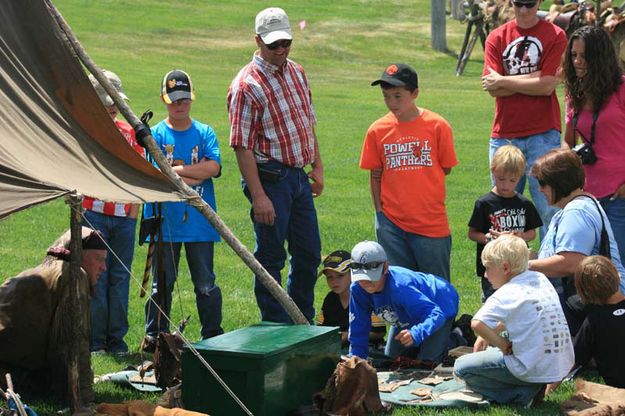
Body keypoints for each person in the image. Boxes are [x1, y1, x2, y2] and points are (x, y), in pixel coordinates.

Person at [227, 7, 323, 323]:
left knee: (309, 254)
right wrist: (258, 196)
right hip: (269, 179)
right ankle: (275, 325)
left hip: (298, 176)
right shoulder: (245, 85)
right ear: (257, 41)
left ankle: (302, 319)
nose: (280, 50)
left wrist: (317, 167)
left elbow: (309, 122)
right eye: (273, 45)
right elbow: (242, 146)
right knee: (271, 258)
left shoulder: (297, 71)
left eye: (285, 43)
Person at [142, 69, 223, 351]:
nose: (180, 105)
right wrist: (193, 175)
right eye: (174, 100)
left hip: (199, 223)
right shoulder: (154, 135)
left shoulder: (205, 132)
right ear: (164, 99)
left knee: (205, 284)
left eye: (184, 99)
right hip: (165, 221)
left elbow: (213, 167)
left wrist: (177, 171)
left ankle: (213, 334)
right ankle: (155, 336)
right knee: (161, 284)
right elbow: (154, 175)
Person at [360, 63, 458, 281]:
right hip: (392, 223)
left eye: (397, 96)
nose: (391, 103)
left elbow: (446, 167)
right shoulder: (377, 130)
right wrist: (380, 214)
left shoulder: (437, 125)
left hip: (430, 222)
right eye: (386, 96)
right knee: (402, 287)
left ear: (415, 93)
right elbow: (375, 174)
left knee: (436, 286)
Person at [454, 235, 574, 408]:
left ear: (505, 267)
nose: (486, 275)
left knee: (461, 367)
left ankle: (521, 393)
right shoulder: (540, 279)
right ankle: (532, 385)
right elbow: (519, 315)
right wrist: (490, 335)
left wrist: (502, 344)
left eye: (488, 268)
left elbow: (477, 323)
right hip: (560, 364)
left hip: (530, 366)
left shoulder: (507, 292)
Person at [481, 0, 566, 240]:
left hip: (544, 133)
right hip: (504, 134)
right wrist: (536, 77)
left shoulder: (555, 35)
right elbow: (493, 88)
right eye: (518, 4)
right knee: (502, 210)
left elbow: (548, 86)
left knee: (549, 209)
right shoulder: (497, 37)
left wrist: (505, 80)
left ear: (539, 3)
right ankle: (503, 272)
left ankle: (552, 272)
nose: (524, 10)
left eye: (530, 4)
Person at [0, 227, 107, 403]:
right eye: (98, 259)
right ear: (79, 256)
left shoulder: (51, 269)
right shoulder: (73, 275)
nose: (103, 267)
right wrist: (85, 399)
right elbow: (74, 343)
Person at [528, 149, 625, 336]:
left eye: (543, 183)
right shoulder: (577, 206)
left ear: (559, 183)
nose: (539, 189)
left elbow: (570, 262)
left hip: (597, 305)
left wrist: (524, 265)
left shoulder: (576, 211)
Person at [83, 69, 145, 354]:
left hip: (123, 217)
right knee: (96, 277)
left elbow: (139, 173)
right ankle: (95, 340)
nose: (111, 107)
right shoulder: (85, 130)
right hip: (93, 212)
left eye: (114, 102)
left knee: (120, 277)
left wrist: (133, 213)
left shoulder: (130, 133)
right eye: (106, 102)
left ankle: (116, 339)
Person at [562, 25, 625, 264]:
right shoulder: (575, 92)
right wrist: (567, 161)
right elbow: (568, 141)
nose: (578, 61)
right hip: (586, 196)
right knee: (588, 267)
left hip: (619, 196)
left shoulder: (621, 88)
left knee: (617, 267)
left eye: (584, 56)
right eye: (574, 55)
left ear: (599, 57)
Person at [348, 240, 460, 363]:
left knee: (427, 362)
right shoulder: (357, 289)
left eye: (371, 276)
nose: (365, 282)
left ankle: (456, 337)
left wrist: (415, 334)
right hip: (405, 314)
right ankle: (418, 345)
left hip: (441, 302)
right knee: (391, 359)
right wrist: (356, 358)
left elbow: (436, 314)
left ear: (385, 267)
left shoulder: (400, 287)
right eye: (360, 277)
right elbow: (358, 326)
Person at [468, 145, 542, 301]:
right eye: (501, 179)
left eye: (512, 180)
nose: (506, 185)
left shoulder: (524, 204)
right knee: (494, 303)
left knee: (518, 303)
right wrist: (489, 238)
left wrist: (519, 236)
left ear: (520, 177)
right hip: (493, 267)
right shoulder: (484, 203)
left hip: (518, 267)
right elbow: (472, 233)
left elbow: (532, 233)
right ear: (493, 171)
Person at [548, 256, 625, 394]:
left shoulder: (594, 321)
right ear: (618, 277)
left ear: (584, 292)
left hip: (619, 391)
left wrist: (547, 391)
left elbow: (571, 361)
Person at [317, 249, 386, 347]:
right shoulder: (330, 299)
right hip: (336, 349)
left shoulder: (366, 296)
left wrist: (349, 336)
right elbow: (320, 328)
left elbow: (379, 332)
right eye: (329, 277)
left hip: (367, 347)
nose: (334, 281)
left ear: (353, 273)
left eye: (340, 276)